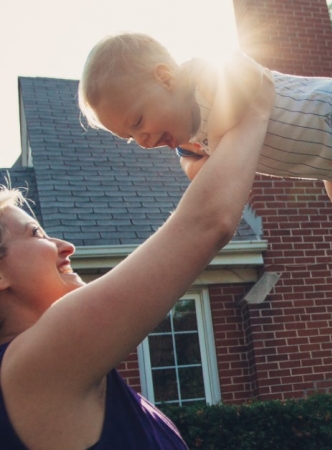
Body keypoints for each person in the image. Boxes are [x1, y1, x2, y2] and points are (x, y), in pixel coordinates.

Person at [0, 71, 274, 449]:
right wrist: (258, 103)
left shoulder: (55, 371)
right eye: (36, 234)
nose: (66, 246)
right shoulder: (31, 368)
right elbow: (207, 223)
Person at [78, 32, 332, 241]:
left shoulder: (206, 76)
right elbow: (207, 180)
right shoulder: (188, 144)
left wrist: (221, 141)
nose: (142, 138)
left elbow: (247, 75)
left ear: (165, 77)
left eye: (138, 120)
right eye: (129, 136)